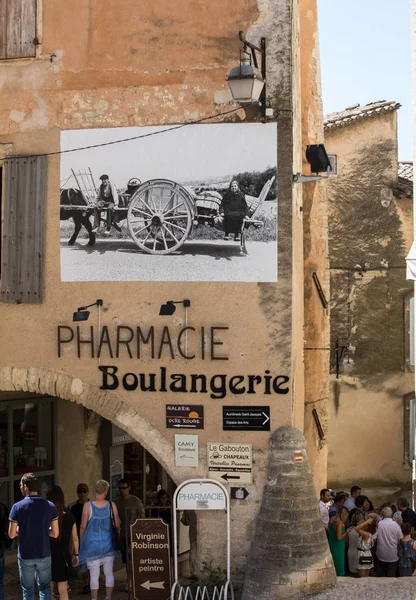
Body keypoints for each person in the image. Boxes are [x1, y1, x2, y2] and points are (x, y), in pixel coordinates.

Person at [8, 473, 59, 600]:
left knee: (28, 591)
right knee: (45, 588)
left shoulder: (17, 507)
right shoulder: (50, 506)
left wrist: (22, 530)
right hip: (44, 552)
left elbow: (11, 534)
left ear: (26, 487)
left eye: (20, 485)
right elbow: (55, 533)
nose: (19, 487)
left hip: (26, 554)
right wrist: (41, 530)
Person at [79, 479, 121, 600]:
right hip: (108, 544)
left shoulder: (88, 506)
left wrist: (82, 543)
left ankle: (94, 598)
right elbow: (117, 524)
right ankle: (108, 597)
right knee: (108, 573)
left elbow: (82, 526)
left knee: (94, 576)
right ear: (106, 491)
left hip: (92, 546)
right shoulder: (111, 506)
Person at [46, 486, 79, 600]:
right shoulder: (69, 517)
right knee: (63, 588)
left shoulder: (46, 517)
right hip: (63, 555)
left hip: (47, 554)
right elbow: (74, 538)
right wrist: (76, 554)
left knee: (48, 587)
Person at [115, 478, 144, 589]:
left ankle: (130, 581)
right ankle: (130, 579)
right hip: (122, 535)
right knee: (126, 560)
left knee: (131, 558)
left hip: (134, 534)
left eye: (124, 488)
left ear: (129, 488)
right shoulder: (117, 503)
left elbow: (142, 516)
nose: (122, 490)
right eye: (120, 488)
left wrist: (140, 532)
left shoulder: (135, 500)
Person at [68, 483, 90, 594]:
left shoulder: (93, 506)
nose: (82, 494)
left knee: (90, 564)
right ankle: (86, 583)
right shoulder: (72, 507)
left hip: (91, 540)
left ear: (88, 492)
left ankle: (88, 583)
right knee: (81, 565)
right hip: (78, 539)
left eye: (84, 491)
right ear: (77, 493)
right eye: (80, 491)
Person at [376, 506, 403, 577]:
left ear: (382, 514)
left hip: (381, 553)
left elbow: (374, 537)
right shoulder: (396, 525)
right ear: (391, 514)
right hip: (393, 553)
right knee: (391, 574)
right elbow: (401, 538)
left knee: (380, 574)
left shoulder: (379, 524)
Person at [328, 507, 351, 575]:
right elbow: (339, 537)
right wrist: (347, 532)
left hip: (332, 544)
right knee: (339, 563)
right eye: (346, 515)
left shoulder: (332, 520)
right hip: (338, 546)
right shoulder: (339, 523)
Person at [347, 510, 365, 577]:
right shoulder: (361, 531)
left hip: (350, 551)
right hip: (359, 553)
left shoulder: (349, 530)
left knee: (352, 573)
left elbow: (347, 542)